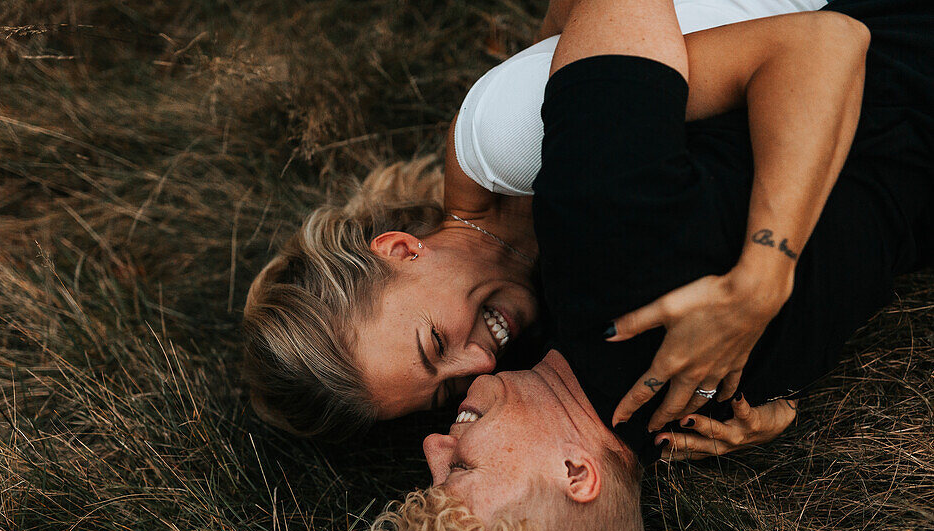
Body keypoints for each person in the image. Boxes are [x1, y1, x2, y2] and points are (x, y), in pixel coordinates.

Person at [365, 0, 934, 531]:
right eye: (458, 469)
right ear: (577, 473)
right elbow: (831, 42)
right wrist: (766, 263)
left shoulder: (714, 416)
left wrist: (780, 411)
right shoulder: (596, 234)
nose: (433, 447)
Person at [242, 0, 830, 441]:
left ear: (400, 249)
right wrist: (755, 415)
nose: (479, 364)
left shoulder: (512, 140)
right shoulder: (548, 292)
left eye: (436, 343)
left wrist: (764, 273)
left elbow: (812, 50)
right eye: (445, 391)